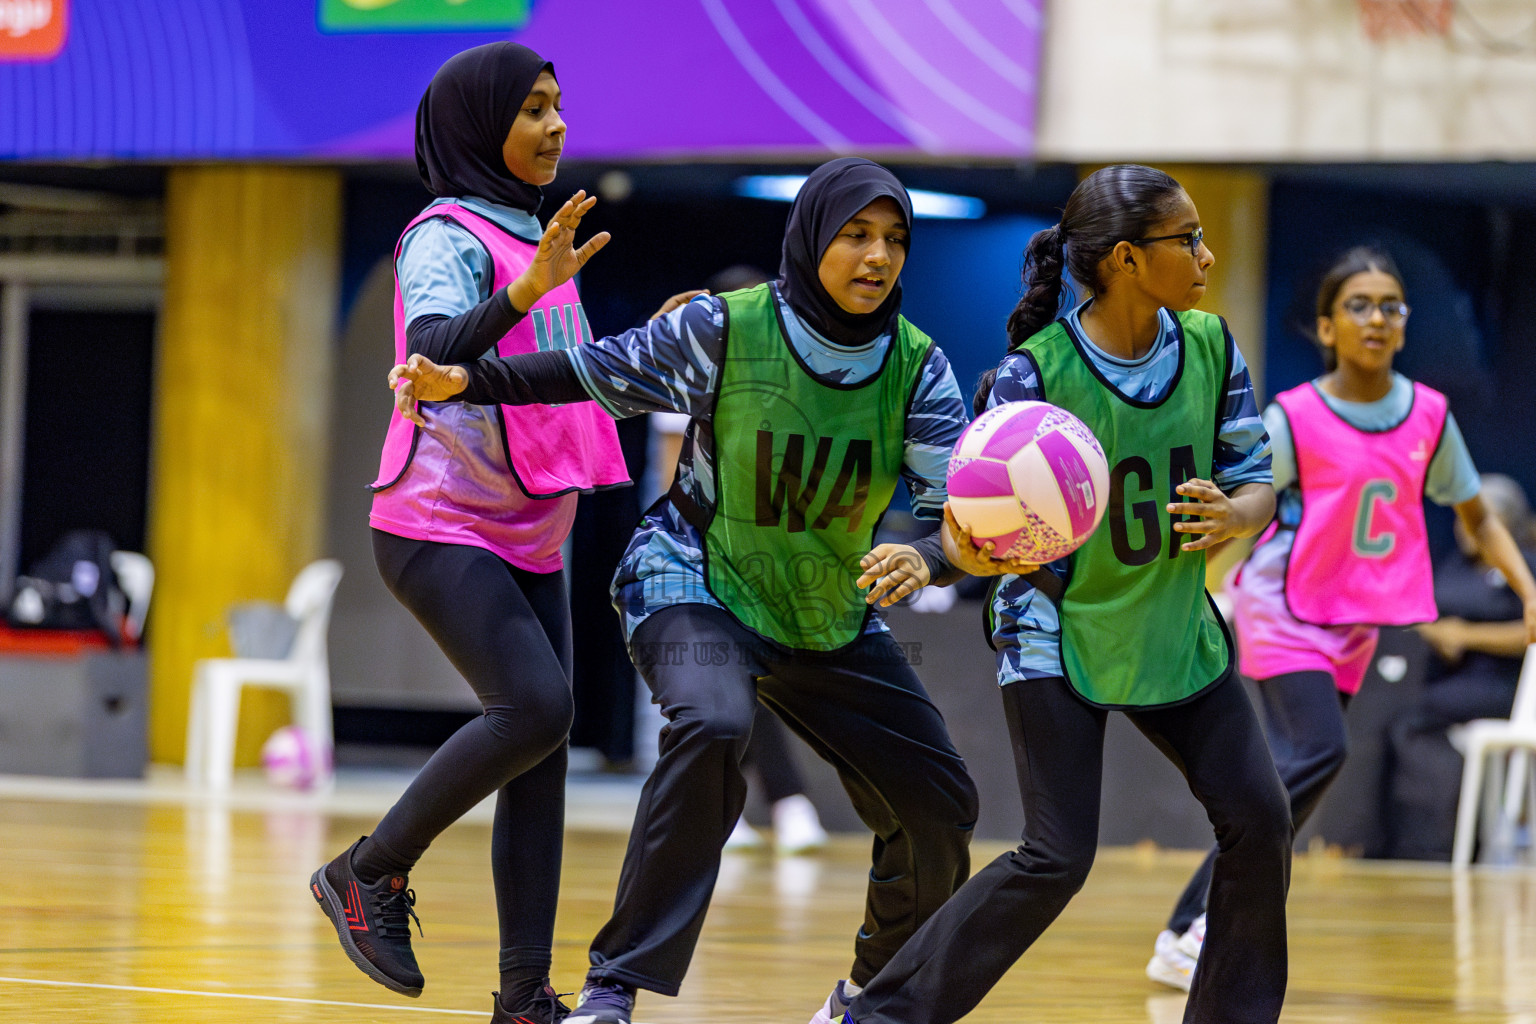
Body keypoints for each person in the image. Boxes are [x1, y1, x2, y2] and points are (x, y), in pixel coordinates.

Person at [390, 157, 1033, 1024]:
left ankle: (873, 1003)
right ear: (810, 240)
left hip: (821, 610)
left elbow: (951, 509)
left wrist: (932, 556)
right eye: (855, 235)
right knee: (714, 721)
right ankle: (613, 986)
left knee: (938, 802)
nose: (877, 256)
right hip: (690, 576)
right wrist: (469, 379)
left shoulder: (917, 368)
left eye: (894, 240)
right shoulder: (725, 328)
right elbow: (587, 370)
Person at [834, 163, 1292, 1024]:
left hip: (1171, 627)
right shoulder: (1031, 376)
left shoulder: (1210, 344)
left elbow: (1258, 480)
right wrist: (931, 560)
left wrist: (1237, 511)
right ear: (1124, 257)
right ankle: (872, 1017)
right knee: (1055, 855)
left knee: (1260, 822)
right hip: (1056, 630)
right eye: (1186, 238)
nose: (1206, 252)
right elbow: (979, 529)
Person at [308, 43, 628, 1024]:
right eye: (533, 109)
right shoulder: (439, 235)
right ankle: (368, 870)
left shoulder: (538, 237)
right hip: (437, 522)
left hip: (531, 526)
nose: (556, 126)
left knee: (543, 746)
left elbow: (563, 376)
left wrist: (661, 337)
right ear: (477, 123)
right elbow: (437, 349)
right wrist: (527, 290)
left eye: (559, 106)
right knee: (534, 708)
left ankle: (526, 998)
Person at [1152, 247, 1536, 984]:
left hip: (1353, 622)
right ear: (1326, 328)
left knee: (1286, 784)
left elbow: (1480, 519)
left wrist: (1527, 588)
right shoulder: (1296, 415)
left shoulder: (1428, 415)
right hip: (1280, 607)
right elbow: (1250, 503)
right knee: (1319, 753)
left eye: (1391, 305)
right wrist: (1211, 541)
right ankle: (1196, 925)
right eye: (1359, 304)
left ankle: (1189, 925)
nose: (1377, 318)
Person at [1386, 473, 1536, 859]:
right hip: (1449, 676)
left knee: (1414, 714)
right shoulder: (1455, 567)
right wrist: (1437, 634)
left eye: (1479, 518)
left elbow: (1528, 632)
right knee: (1398, 712)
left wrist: (1466, 636)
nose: (1466, 528)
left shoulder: (1525, 570)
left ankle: (1439, 843)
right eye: (1461, 518)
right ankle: (1420, 840)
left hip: (1506, 687)